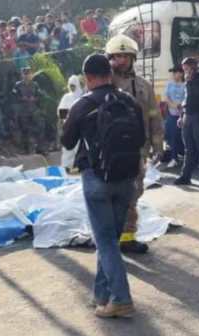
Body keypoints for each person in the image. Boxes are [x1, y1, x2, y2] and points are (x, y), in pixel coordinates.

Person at [60, 54, 144, 319]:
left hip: (97, 179)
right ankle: (101, 295)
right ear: (110, 73)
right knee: (110, 239)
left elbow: (67, 142)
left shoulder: (83, 104)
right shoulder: (129, 101)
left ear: (88, 78)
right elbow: (140, 138)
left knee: (105, 240)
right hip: (127, 178)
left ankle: (121, 298)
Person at [106, 34, 165, 254]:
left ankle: (127, 239)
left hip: (137, 150)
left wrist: (158, 146)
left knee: (133, 194)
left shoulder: (144, 86)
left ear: (132, 59)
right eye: (117, 56)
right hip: (110, 151)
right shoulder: (104, 83)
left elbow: (154, 116)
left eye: (125, 56)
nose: (121, 60)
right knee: (112, 194)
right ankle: (111, 236)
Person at [174, 57, 199, 187]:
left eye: (187, 68)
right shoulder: (187, 81)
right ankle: (185, 176)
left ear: (193, 67)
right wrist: (181, 116)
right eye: (184, 68)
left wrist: (190, 81)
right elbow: (187, 100)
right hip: (188, 116)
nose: (185, 71)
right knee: (188, 148)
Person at [58, 75, 85, 172]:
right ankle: (66, 169)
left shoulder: (83, 96)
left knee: (79, 149)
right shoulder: (66, 97)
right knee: (67, 149)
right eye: (70, 85)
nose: (72, 88)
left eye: (73, 85)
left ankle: (79, 169)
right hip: (69, 127)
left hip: (80, 128)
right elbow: (61, 112)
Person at [12, 67, 42, 154]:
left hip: (33, 110)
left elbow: (40, 95)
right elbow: (13, 96)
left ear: (31, 75)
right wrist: (21, 98)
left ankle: (38, 148)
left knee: (38, 128)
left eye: (28, 74)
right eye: (25, 74)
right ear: (22, 75)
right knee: (24, 130)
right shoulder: (17, 85)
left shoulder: (35, 85)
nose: (27, 76)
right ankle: (26, 149)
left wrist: (35, 99)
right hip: (22, 111)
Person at [162, 66, 186, 167]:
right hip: (171, 114)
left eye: (176, 72)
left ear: (181, 73)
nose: (174, 74)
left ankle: (186, 157)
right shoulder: (169, 84)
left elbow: (186, 97)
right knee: (172, 135)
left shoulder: (185, 85)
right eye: (173, 72)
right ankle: (174, 157)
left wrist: (181, 106)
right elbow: (166, 97)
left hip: (183, 113)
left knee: (183, 136)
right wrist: (173, 105)